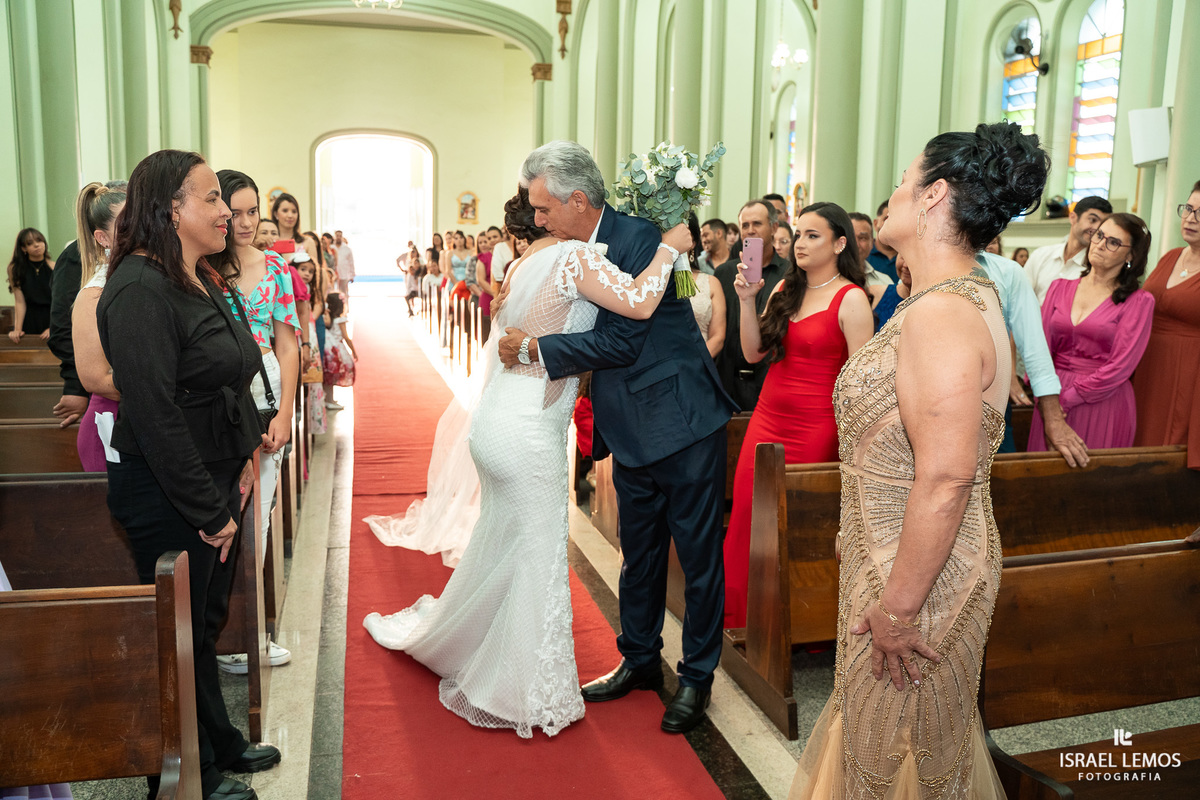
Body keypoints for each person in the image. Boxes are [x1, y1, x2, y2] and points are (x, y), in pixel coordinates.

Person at [364, 184, 691, 738]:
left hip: (497, 422)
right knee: (536, 556)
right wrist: (668, 247)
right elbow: (637, 304)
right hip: (528, 433)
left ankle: (468, 643)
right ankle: (518, 694)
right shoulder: (572, 256)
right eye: (547, 208)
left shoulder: (517, 267)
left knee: (504, 542)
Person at [789, 121, 1047, 798]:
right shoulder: (950, 297)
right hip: (899, 555)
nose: (894, 193)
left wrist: (899, 610)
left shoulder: (943, 314)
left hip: (921, 580)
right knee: (899, 745)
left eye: (904, 180)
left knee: (897, 751)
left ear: (934, 196)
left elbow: (946, 476)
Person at [499, 141, 737, 735]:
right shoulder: (576, 245)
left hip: (681, 420)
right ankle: (639, 658)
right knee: (640, 550)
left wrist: (535, 348)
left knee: (699, 557)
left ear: (578, 199)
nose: (538, 220)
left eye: (544, 208)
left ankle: (698, 677)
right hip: (628, 422)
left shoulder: (638, 240)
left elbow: (623, 342)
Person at [97, 149, 279, 800]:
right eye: (209, 198)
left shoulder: (197, 275)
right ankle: (185, 777)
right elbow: (155, 415)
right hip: (172, 494)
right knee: (174, 636)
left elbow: (237, 374)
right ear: (169, 210)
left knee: (201, 625)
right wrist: (211, 510)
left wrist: (249, 455)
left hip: (217, 475)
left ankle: (218, 743)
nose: (225, 210)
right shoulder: (139, 291)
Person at [723, 202, 873, 628]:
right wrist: (747, 301)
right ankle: (742, 614)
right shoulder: (785, 290)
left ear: (839, 243)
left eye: (813, 236)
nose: (800, 244)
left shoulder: (852, 299)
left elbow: (861, 385)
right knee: (750, 512)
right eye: (799, 235)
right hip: (767, 417)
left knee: (797, 522)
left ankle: (793, 623)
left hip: (817, 427)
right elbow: (753, 353)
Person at [209, 171, 300, 630]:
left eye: (253, 212)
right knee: (223, 509)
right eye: (236, 212)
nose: (245, 223)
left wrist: (286, 412)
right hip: (215, 400)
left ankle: (250, 632)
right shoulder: (200, 266)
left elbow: (287, 345)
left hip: (267, 395)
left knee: (258, 513)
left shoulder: (276, 267)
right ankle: (224, 629)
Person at [1027, 214, 1154, 451]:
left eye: (1113, 242)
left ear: (1130, 255)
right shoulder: (1059, 287)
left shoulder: (1139, 301)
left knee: (1090, 483)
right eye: (1099, 235)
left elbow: (1121, 367)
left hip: (1102, 401)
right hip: (1050, 395)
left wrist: (1069, 397)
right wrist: (1045, 398)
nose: (1100, 245)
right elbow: (1039, 348)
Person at [1133, 179, 1200, 467]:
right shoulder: (1170, 256)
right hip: (1148, 363)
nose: (1190, 219)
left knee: (1173, 444)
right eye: (1188, 208)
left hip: (1190, 369)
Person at [70, 182, 126, 471]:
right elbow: (95, 378)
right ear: (103, 237)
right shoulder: (93, 295)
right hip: (109, 425)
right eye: (125, 226)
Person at [713, 200, 790, 410]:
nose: (750, 230)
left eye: (757, 223)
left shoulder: (790, 274)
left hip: (770, 379)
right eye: (744, 225)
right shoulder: (724, 273)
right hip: (727, 382)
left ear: (774, 227)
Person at [1024, 195, 1112, 302]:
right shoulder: (1040, 255)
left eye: (1102, 224)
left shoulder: (1094, 270)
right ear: (1073, 218)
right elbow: (1021, 298)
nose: (1097, 228)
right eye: (1092, 220)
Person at [687, 214, 726, 359]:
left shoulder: (711, 283)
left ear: (693, 241)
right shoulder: (652, 280)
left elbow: (718, 337)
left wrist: (694, 364)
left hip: (698, 365)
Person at [7, 228, 55, 342]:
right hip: (29, 319)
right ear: (24, 248)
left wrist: (54, 327)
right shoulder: (15, 269)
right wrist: (17, 329)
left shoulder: (55, 266)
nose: (36, 245)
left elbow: (61, 301)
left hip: (52, 318)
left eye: (39, 241)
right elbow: (19, 301)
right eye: (30, 243)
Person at [322, 292, 357, 407]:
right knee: (333, 374)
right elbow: (346, 337)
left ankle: (329, 399)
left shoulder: (328, 318)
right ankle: (329, 400)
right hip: (336, 349)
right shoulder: (340, 320)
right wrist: (354, 352)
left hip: (328, 348)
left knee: (328, 375)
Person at [849, 211, 895, 293]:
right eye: (850, 237)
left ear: (871, 243)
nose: (855, 244)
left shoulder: (885, 282)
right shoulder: (823, 280)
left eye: (862, 238)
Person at [872, 252, 911, 330]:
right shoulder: (875, 294)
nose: (905, 265)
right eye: (903, 257)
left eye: (913, 259)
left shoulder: (935, 303)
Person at [867, 200, 899, 282]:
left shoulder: (908, 257)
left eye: (896, 219)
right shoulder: (864, 254)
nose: (891, 224)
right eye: (886, 218)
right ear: (875, 223)